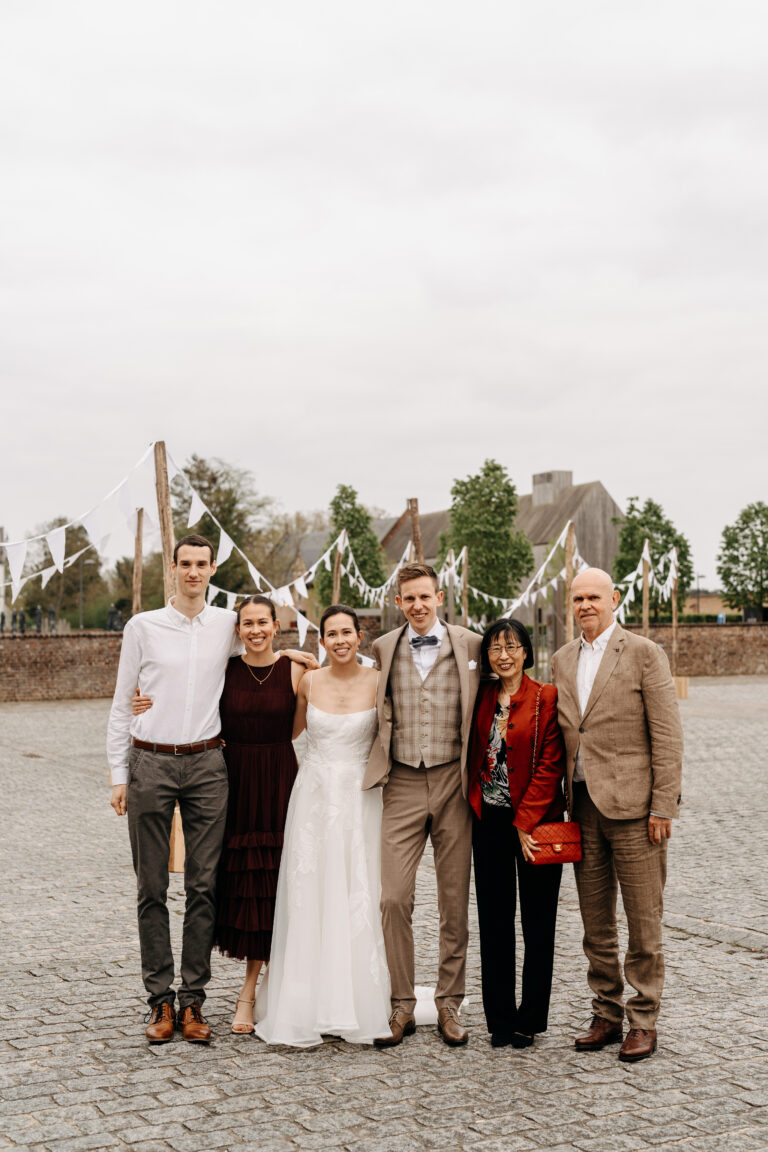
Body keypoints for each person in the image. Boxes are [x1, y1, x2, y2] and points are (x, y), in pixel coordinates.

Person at [109, 534, 314, 1045]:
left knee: (205, 886)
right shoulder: (143, 627)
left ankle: (194, 1000)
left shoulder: (227, 622)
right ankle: (160, 999)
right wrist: (118, 774)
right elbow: (120, 702)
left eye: (203, 564)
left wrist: (291, 652)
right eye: (186, 564)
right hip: (150, 761)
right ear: (172, 568)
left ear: (212, 567)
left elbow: (259, 643)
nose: (194, 572)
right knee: (151, 888)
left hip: (207, 763)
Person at [550, 567, 683, 1063]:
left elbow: (667, 734)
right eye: (578, 597)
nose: (585, 604)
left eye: (594, 597)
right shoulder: (562, 658)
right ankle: (605, 1012)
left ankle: (643, 1018)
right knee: (595, 920)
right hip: (581, 805)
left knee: (644, 920)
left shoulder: (645, 653)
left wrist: (663, 804)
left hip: (635, 810)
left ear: (614, 598)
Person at [254, 605, 391, 1047]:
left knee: (356, 889)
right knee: (311, 891)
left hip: (360, 798)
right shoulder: (308, 681)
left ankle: (354, 1001)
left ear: (360, 635)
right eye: (331, 634)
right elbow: (287, 732)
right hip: (313, 798)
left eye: (346, 632)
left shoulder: (377, 680)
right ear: (322, 640)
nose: (339, 640)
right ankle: (304, 1003)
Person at [363, 563, 482, 1048]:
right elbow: (345, 676)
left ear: (440, 596)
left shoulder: (472, 645)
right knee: (393, 897)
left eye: (424, 597)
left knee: (454, 900)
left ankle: (449, 1002)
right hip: (403, 781)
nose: (417, 606)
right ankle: (401, 1004)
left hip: (455, 778)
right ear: (398, 602)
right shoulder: (383, 648)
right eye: (408, 598)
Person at [468, 618, 566, 1049]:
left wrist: (524, 823)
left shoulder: (546, 697)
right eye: (494, 648)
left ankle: (530, 1018)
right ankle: (500, 1019)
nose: (503, 655)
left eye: (511, 646)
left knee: (538, 921)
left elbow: (550, 765)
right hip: (487, 821)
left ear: (526, 651)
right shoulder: (481, 697)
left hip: (536, 823)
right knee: (494, 920)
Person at [214, 596, 305, 1034]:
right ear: (238, 629)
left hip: (281, 781)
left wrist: (299, 657)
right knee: (243, 887)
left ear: (276, 626)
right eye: (246, 623)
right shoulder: (224, 670)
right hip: (233, 783)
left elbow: (300, 726)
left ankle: (250, 994)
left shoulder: (298, 670)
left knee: (278, 884)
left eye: (262, 623)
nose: (254, 630)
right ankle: (255, 984)